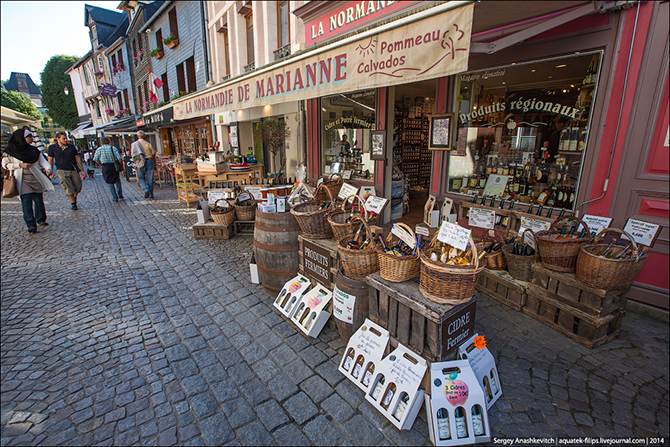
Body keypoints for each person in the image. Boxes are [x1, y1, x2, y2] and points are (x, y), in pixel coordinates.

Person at [2, 129, 55, 233]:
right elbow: (5, 164)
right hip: (22, 180)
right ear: (22, 138)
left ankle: (40, 219)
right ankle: (31, 224)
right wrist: (19, 165)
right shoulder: (10, 151)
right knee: (26, 202)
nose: (31, 138)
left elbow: (43, 161)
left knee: (39, 201)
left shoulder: (34, 150)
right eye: (29, 137)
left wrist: (48, 169)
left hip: (35, 178)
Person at [47, 131, 86, 210]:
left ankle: (73, 198)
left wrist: (82, 170)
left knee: (78, 187)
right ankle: (73, 203)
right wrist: (51, 171)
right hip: (61, 170)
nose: (65, 140)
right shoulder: (52, 148)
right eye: (63, 138)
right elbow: (50, 160)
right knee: (68, 188)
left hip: (73, 169)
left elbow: (77, 158)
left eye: (66, 138)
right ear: (58, 139)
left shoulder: (71, 146)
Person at [93, 137, 124, 202]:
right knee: (117, 179)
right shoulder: (113, 148)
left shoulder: (99, 149)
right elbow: (119, 157)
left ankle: (114, 197)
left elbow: (96, 159)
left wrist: (100, 164)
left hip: (105, 166)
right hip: (113, 165)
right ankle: (120, 194)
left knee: (109, 182)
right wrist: (120, 164)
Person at [130, 130, 157, 199]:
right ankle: (151, 194)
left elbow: (133, 154)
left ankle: (145, 189)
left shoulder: (135, 144)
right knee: (150, 179)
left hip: (140, 161)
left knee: (141, 177)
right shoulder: (148, 144)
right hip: (149, 160)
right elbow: (153, 153)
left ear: (137, 136)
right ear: (144, 136)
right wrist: (155, 164)